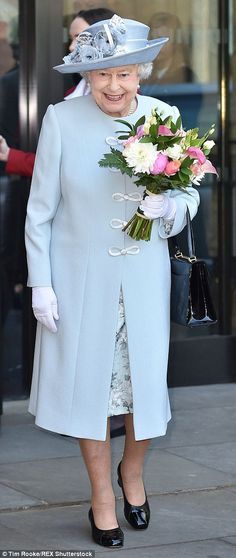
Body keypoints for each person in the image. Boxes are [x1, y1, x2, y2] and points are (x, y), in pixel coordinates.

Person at [25, 14, 200, 548]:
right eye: (103, 74)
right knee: (89, 393)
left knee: (143, 392)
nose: (114, 85)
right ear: (87, 74)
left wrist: (168, 204)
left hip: (142, 281)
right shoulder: (60, 118)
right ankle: (102, 496)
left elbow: (190, 196)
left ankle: (133, 474)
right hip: (79, 283)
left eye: (125, 72)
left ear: (142, 73)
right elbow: (40, 213)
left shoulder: (164, 118)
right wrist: (41, 283)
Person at [0, 7, 115, 177]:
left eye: (79, 37)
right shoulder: (75, 91)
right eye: (71, 38)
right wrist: (9, 155)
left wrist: (12, 157)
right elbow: (63, 164)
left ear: (106, 40)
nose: (71, 47)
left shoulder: (122, 99)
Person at [146, 12, 195, 85]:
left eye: (161, 39)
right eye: (152, 38)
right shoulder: (144, 74)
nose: (155, 44)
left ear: (175, 42)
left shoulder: (186, 75)